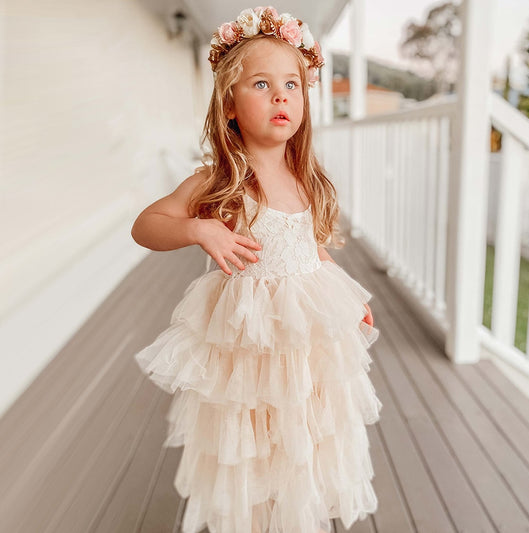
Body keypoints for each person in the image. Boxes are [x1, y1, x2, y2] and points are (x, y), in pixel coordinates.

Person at [131, 6, 382, 533]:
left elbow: (311, 250)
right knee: (252, 444)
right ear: (229, 105)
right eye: (262, 83)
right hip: (248, 344)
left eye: (292, 84)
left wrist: (349, 301)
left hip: (306, 342)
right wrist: (199, 229)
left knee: (305, 437)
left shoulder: (304, 177)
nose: (281, 96)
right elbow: (147, 225)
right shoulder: (219, 181)